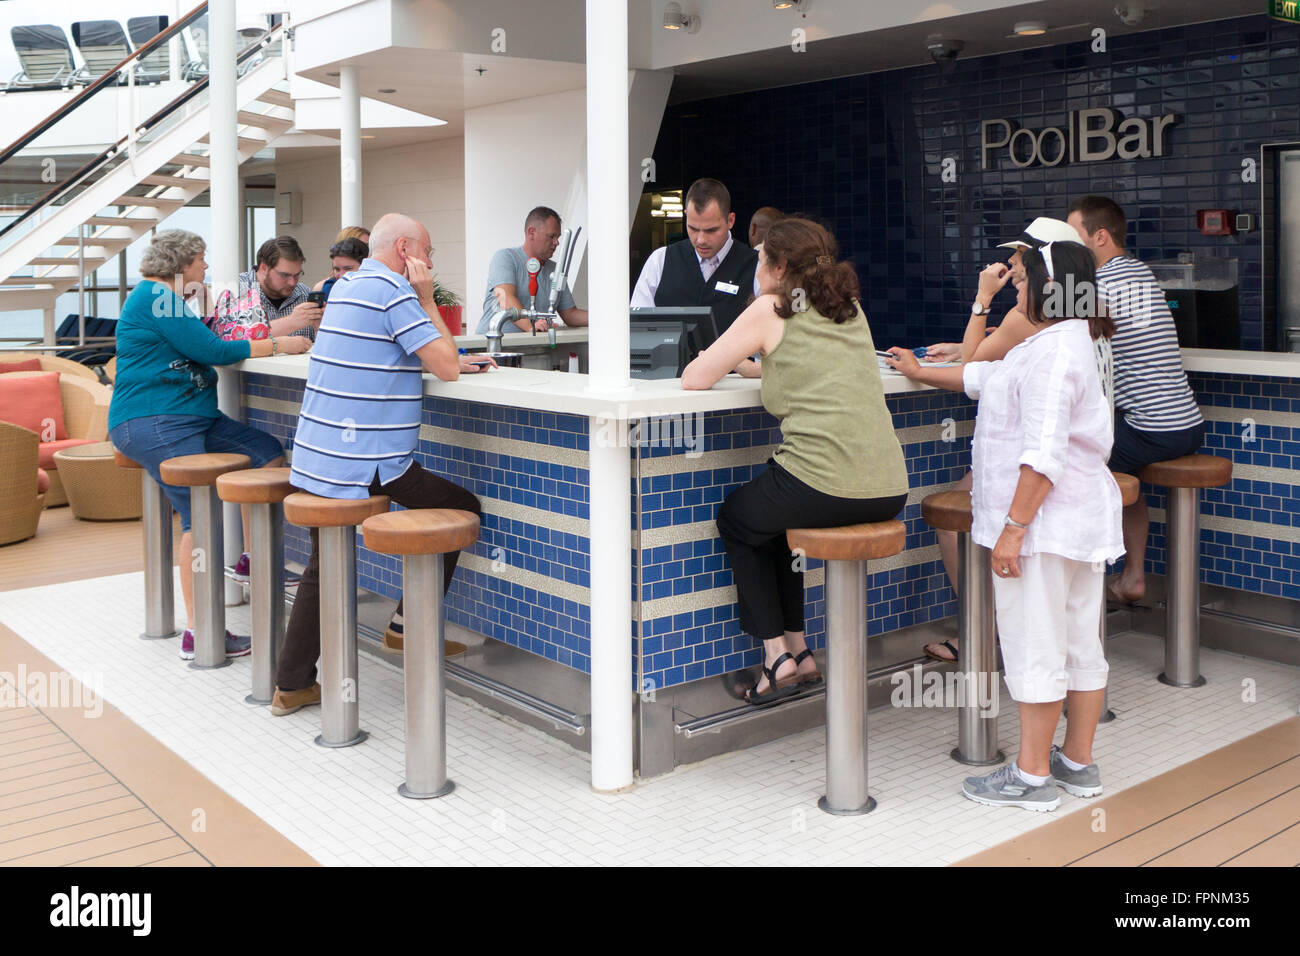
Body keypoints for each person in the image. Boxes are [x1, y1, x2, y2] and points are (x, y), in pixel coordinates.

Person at [887, 241, 1122, 811]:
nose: (1016, 289)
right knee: (1078, 644)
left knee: (1036, 647)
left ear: (1048, 286)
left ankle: (1032, 776)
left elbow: (1041, 456)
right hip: (1073, 522)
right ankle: (1077, 761)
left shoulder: (1052, 354)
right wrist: (923, 371)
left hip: (1042, 528)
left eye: (1022, 281)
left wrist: (1014, 529)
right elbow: (983, 379)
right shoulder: (1062, 341)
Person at [271, 213, 492, 716]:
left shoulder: (346, 287)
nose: (431, 263)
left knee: (322, 566)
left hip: (315, 458)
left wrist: (441, 351)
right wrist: (427, 296)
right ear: (407, 250)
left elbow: (411, 352)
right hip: (366, 463)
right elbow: (448, 369)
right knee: (462, 504)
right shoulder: (394, 292)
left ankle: (292, 682)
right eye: (428, 253)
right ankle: (406, 629)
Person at [682, 218, 909, 703]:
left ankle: (776, 657)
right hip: (888, 485)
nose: (755, 267)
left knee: (739, 519)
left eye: (761, 259)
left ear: (780, 266)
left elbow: (695, 378)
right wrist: (755, 364)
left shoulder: (769, 307)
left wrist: (726, 358)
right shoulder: (848, 307)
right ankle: (801, 653)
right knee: (774, 524)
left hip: (823, 482)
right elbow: (805, 361)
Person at [107, 229, 311, 661]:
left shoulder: (169, 302)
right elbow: (214, 349)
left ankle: (252, 561)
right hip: (154, 419)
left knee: (263, 450)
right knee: (199, 518)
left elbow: (203, 339)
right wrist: (280, 343)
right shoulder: (156, 298)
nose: (205, 267)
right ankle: (200, 634)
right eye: (200, 259)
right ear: (180, 264)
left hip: (192, 418)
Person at [911, 217, 1084, 664]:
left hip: (1037, 471)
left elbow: (975, 364)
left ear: (1045, 263)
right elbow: (991, 351)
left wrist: (982, 300)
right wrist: (968, 342)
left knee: (957, 516)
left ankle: (980, 631)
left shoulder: (1025, 315)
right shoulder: (1078, 313)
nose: (1009, 262)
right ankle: (995, 631)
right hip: (1074, 468)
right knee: (1073, 632)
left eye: (1021, 256)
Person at [1067, 196, 1205, 606]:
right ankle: (1133, 576)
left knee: (1073, 468)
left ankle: (1074, 595)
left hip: (1150, 428)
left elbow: (1042, 332)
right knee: (1120, 479)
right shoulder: (1139, 273)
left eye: (1072, 236)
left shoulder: (1103, 284)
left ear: (1100, 236)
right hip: (1185, 425)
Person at [631, 178, 761, 335]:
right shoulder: (660, 260)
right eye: (692, 228)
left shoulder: (758, 266)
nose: (701, 240)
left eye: (711, 230)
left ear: (730, 220)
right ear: (685, 215)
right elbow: (638, 327)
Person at [477, 206, 589, 334]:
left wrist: (605, 317)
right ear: (531, 233)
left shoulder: (554, 269)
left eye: (558, 237)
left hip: (530, 347)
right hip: (494, 346)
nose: (557, 242)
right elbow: (505, 298)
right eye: (551, 236)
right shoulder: (506, 258)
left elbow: (570, 314)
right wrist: (531, 327)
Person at [207, 235, 320, 343]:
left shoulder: (304, 293)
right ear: (264, 268)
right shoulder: (236, 290)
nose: (292, 282)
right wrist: (291, 322)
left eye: (297, 275)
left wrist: (320, 326)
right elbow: (230, 340)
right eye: (285, 275)